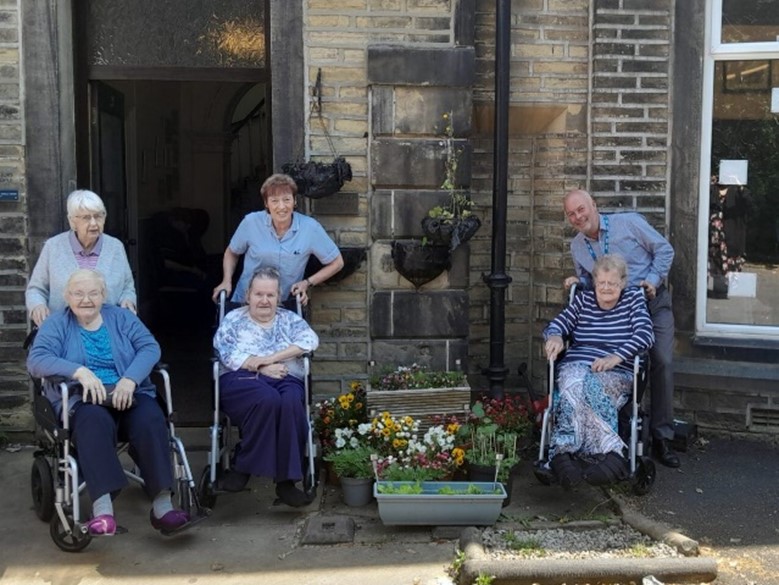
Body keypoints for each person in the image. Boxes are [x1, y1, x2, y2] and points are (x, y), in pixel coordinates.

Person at [27, 269, 191, 536]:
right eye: (78, 293)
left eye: (93, 293)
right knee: (93, 422)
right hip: (84, 399)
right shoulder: (56, 324)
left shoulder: (121, 318)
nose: (86, 299)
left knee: (151, 419)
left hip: (129, 394)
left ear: (104, 295)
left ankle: (163, 507)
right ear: (67, 296)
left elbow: (150, 348)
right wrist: (79, 371)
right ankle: (103, 512)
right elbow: (36, 361)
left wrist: (130, 379)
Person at [562, 189, 680, 468]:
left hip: (651, 301)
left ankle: (662, 437)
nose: (579, 217)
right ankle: (621, 431)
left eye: (582, 209)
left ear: (593, 204)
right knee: (619, 364)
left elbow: (664, 249)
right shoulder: (578, 246)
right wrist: (575, 282)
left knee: (661, 359)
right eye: (572, 214)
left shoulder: (628, 223)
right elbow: (591, 285)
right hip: (618, 312)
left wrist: (652, 279)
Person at [544, 254, 655, 488]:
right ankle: (563, 454)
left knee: (594, 386)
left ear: (623, 283)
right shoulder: (582, 301)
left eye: (612, 283)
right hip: (578, 365)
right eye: (601, 283)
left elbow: (645, 335)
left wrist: (615, 357)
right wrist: (554, 336)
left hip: (616, 371)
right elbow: (558, 324)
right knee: (573, 385)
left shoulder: (633, 300)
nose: (606, 289)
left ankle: (611, 454)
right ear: (594, 282)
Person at [213, 266, 319, 507]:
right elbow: (226, 353)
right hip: (241, 381)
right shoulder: (234, 320)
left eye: (270, 295)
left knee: (291, 401)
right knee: (268, 399)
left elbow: (310, 341)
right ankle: (243, 466)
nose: (264, 300)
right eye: (259, 294)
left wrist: (270, 360)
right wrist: (259, 368)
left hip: (284, 377)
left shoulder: (289, 320)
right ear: (248, 295)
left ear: (278, 298)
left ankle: (286, 482)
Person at [212, 173, 344, 309]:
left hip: (284, 306)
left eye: (286, 199)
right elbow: (232, 252)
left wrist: (307, 283)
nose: (281, 207)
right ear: (266, 204)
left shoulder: (310, 228)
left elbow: (337, 263)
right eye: (274, 201)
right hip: (246, 303)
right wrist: (226, 281)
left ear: (294, 201)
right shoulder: (251, 222)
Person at [26, 189, 136, 327]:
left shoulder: (115, 247)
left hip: (107, 331)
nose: (94, 223)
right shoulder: (53, 247)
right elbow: (36, 289)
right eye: (86, 218)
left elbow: (127, 286)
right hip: (62, 331)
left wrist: (128, 300)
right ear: (72, 221)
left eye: (98, 216)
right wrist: (38, 306)